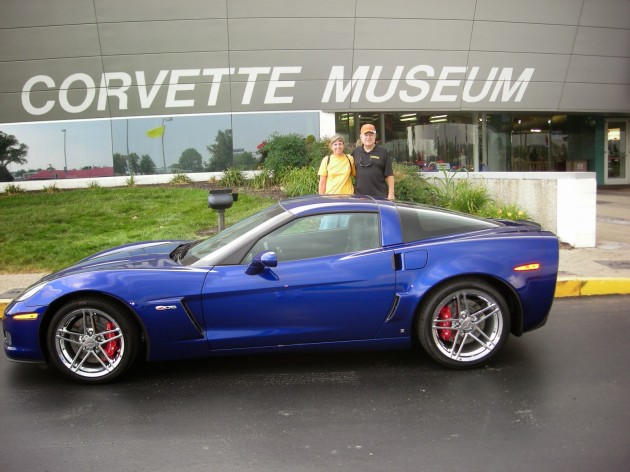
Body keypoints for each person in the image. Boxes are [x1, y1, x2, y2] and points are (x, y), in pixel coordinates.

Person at [351, 124, 395, 199]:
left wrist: (391, 194)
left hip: (380, 196)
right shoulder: (355, 152)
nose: (368, 137)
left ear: (375, 136)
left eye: (371, 135)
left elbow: (389, 175)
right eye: (366, 135)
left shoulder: (383, 152)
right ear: (361, 137)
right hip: (359, 197)